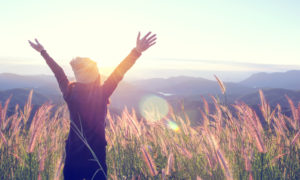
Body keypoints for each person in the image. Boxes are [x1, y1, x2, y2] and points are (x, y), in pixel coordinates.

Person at [28, 32, 157, 180]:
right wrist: (136, 51)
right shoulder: (102, 93)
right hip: (96, 156)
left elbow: (58, 72)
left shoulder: (69, 92)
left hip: (73, 155)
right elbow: (119, 73)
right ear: (96, 74)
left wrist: (43, 52)